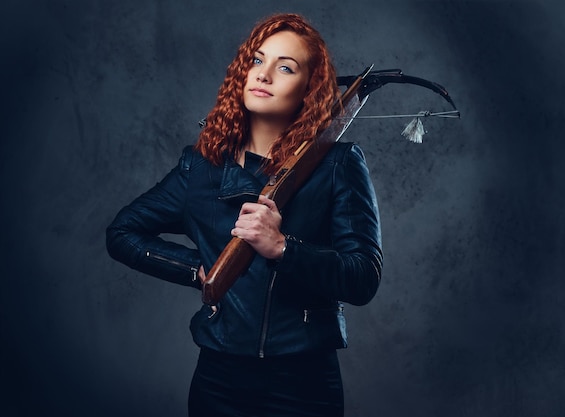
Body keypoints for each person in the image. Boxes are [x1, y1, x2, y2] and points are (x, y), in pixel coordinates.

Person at [106, 13, 382, 417]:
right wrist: (197, 269)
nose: (264, 75)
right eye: (256, 61)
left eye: (285, 67)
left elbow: (363, 279)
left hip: (303, 382)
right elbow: (122, 232)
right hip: (219, 379)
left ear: (309, 89)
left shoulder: (338, 164)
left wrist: (284, 248)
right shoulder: (199, 167)